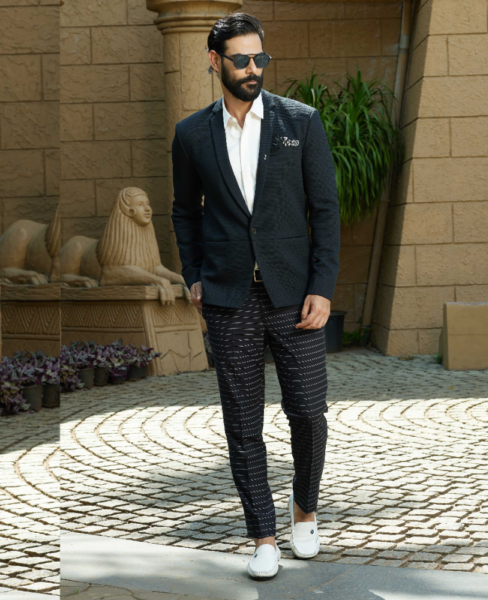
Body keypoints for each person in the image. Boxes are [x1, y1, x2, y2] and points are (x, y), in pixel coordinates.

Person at [170, 12, 340, 580]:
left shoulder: (301, 122)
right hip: (228, 295)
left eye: (259, 59)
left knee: (309, 414)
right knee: (242, 422)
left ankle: (305, 513)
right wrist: (193, 272)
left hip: (295, 295)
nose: (252, 70)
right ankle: (263, 536)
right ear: (215, 60)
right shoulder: (192, 133)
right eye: (240, 60)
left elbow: (325, 211)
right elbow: (182, 210)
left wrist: (322, 286)